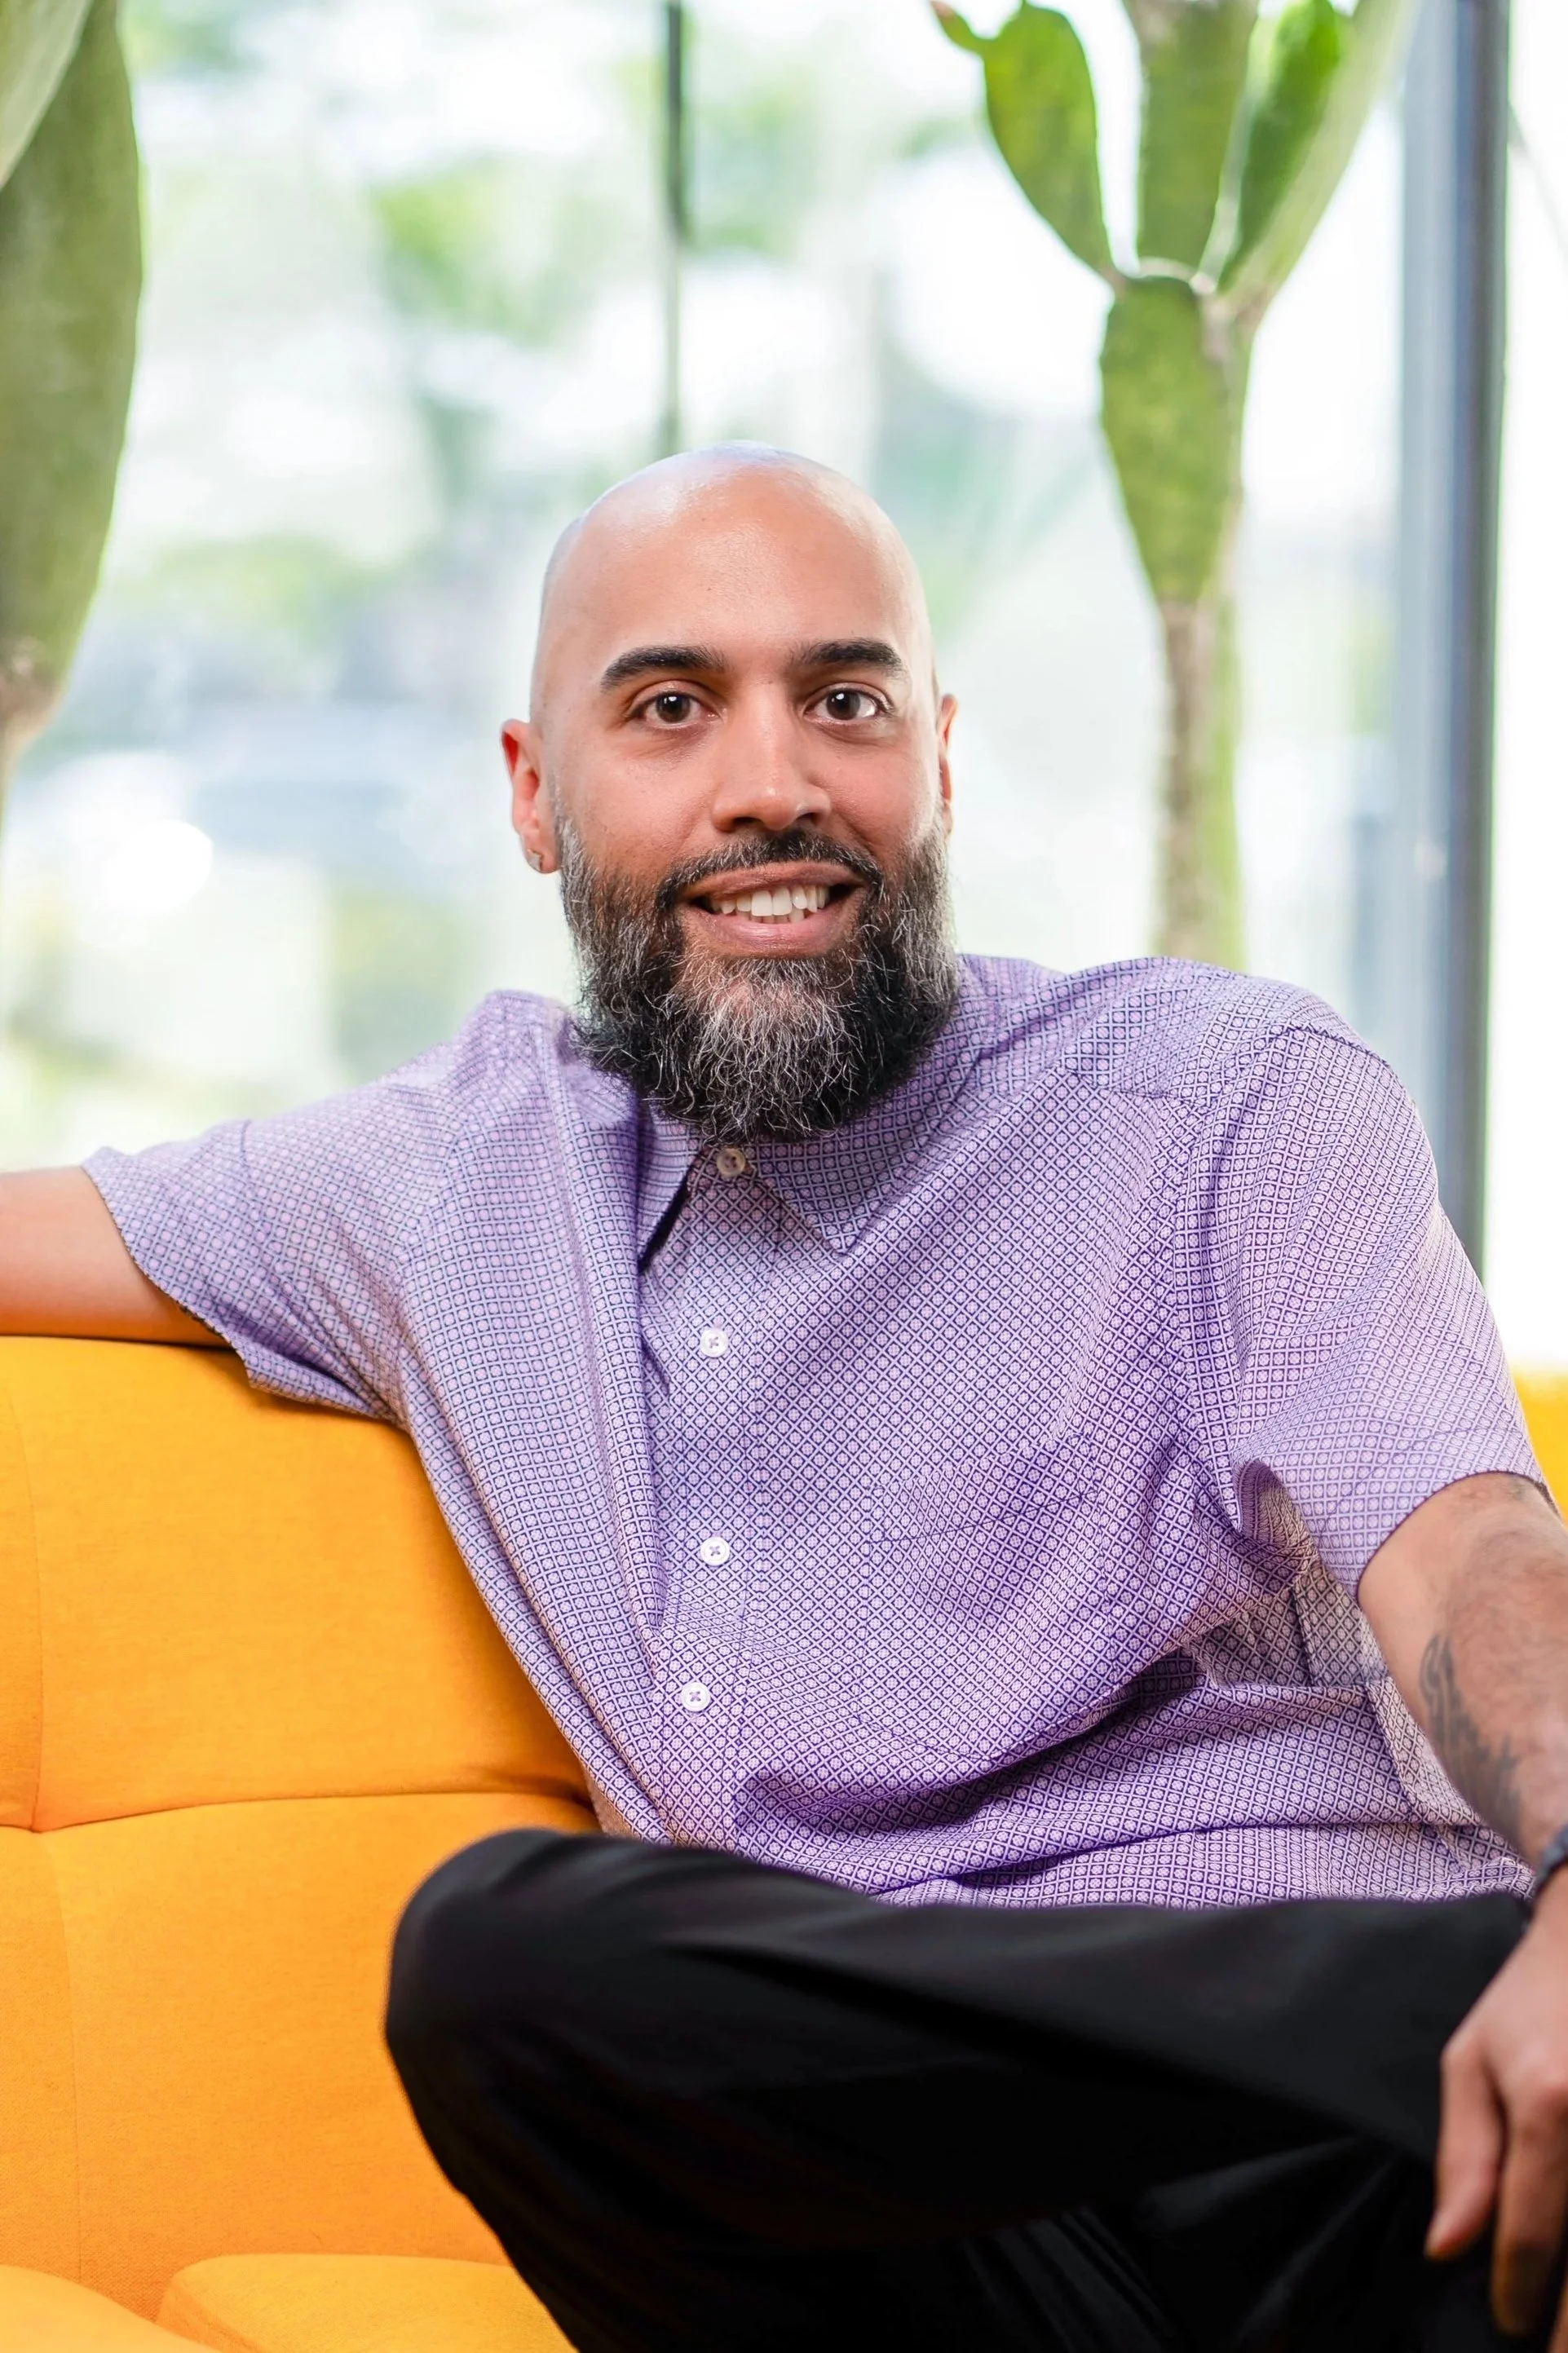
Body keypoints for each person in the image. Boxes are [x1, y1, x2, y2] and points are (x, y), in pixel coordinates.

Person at [6, 443, 1568, 2352]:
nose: (774, 785)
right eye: (670, 708)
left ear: (936, 755)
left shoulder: (1221, 1101)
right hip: (913, 2231)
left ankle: (1418, 1996)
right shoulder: (442, 1186)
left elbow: (1466, 1533)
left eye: (845, 701)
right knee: (501, 1964)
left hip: (1368, 2165)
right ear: (532, 791)